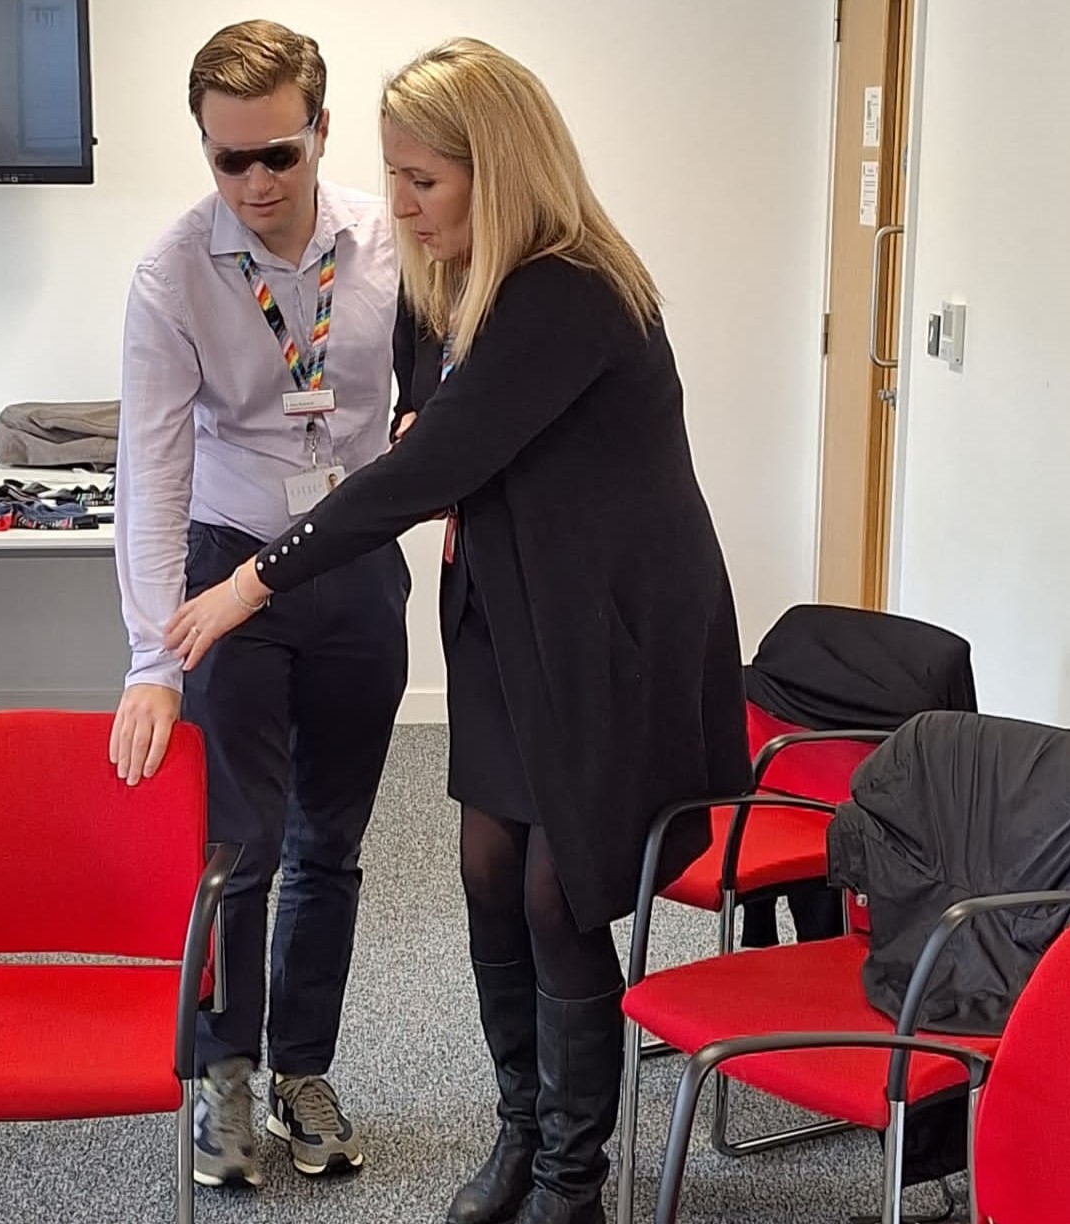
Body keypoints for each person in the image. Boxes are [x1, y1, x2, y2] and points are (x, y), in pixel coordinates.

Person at [166, 37, 751, 1224]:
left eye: (423, 180)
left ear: (502, 168)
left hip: (610, 635)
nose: (401, 206)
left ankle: (570, 1185)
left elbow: (414, 465)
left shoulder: (568, 288)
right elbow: (432, 401)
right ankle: (521, 1141)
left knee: (554, 892)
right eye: (390, 178)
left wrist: (248, 585)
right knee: (488, 865)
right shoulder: (467, 273)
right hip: (510, 614)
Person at [109, 19, 408, 1191]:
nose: (255, 185)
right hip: (228, 563)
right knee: (238, 844)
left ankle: (303, 1067)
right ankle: (224, 1070)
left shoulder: (388, 244)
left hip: (356, 562)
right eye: (229, 161)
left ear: (321, 132)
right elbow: (150, 469)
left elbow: (445, 388)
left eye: (278, 155)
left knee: (330, 841)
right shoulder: (172, 271)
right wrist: (152, 656)